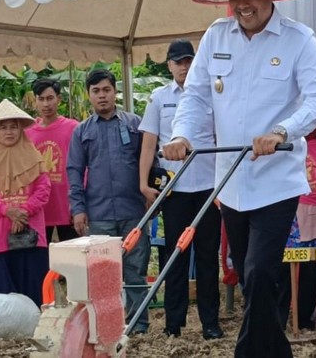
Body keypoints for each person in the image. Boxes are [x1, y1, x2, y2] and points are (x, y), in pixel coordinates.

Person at [163, 0, 316, 358]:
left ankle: (245, 352)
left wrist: (280, 131)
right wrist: (183, 135)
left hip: (277, 180)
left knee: (257, 271)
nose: (242, 5)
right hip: (230, 182)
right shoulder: (216, 37)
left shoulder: (298, 40)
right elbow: (197, 98)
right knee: (255, 275)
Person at [138, 39, 222, 340]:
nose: (184, 67)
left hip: (209, 188)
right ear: (169, 65)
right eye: (178, 62)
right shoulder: (159, 97)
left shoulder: (213, 94)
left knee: (208, 258)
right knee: (174, 257)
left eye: (188, 60)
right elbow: (149, 142)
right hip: (173, 190)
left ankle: (210, 322)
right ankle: (174, 323)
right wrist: (143, 183)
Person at [67, 69, 150, 334]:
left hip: (134, 210)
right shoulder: (82, 132)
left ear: (115, 92)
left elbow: (150, 161)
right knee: (103, 273)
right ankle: (107, 324)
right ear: (89, 95)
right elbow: (74, 171)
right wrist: (78, 209)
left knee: (136, 268)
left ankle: (138, 325)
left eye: (106, 90)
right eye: (96, 91)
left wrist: (150, 196)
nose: (102, 96)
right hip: (99, 213)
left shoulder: (135, 124)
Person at [0, 99, 50, 307]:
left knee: (35, 293)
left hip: (32, 235)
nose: (9, 132)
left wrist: (23, 212)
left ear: (20, 129)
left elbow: (43, 190)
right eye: (3, 127)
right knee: (2, 300)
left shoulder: (34, 156)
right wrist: (8, 211)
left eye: (13, 127)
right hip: (0, 238)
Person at [277, 119, 316, 332]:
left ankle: (305, 320)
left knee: (311, 271)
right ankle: (281, 318)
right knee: (282, 270)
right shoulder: (285, 148)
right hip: (290, 214)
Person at [25, 78, 79, 242]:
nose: (46, 104)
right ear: (35, 101)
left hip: (66, 205)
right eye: (41, 99)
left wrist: (78, 204)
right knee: (41, 261)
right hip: (39, 207)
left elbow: (82, 166)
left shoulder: (73, 128)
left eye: (50, 98)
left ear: (59, 99)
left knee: (71, 260)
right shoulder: (27, 132)